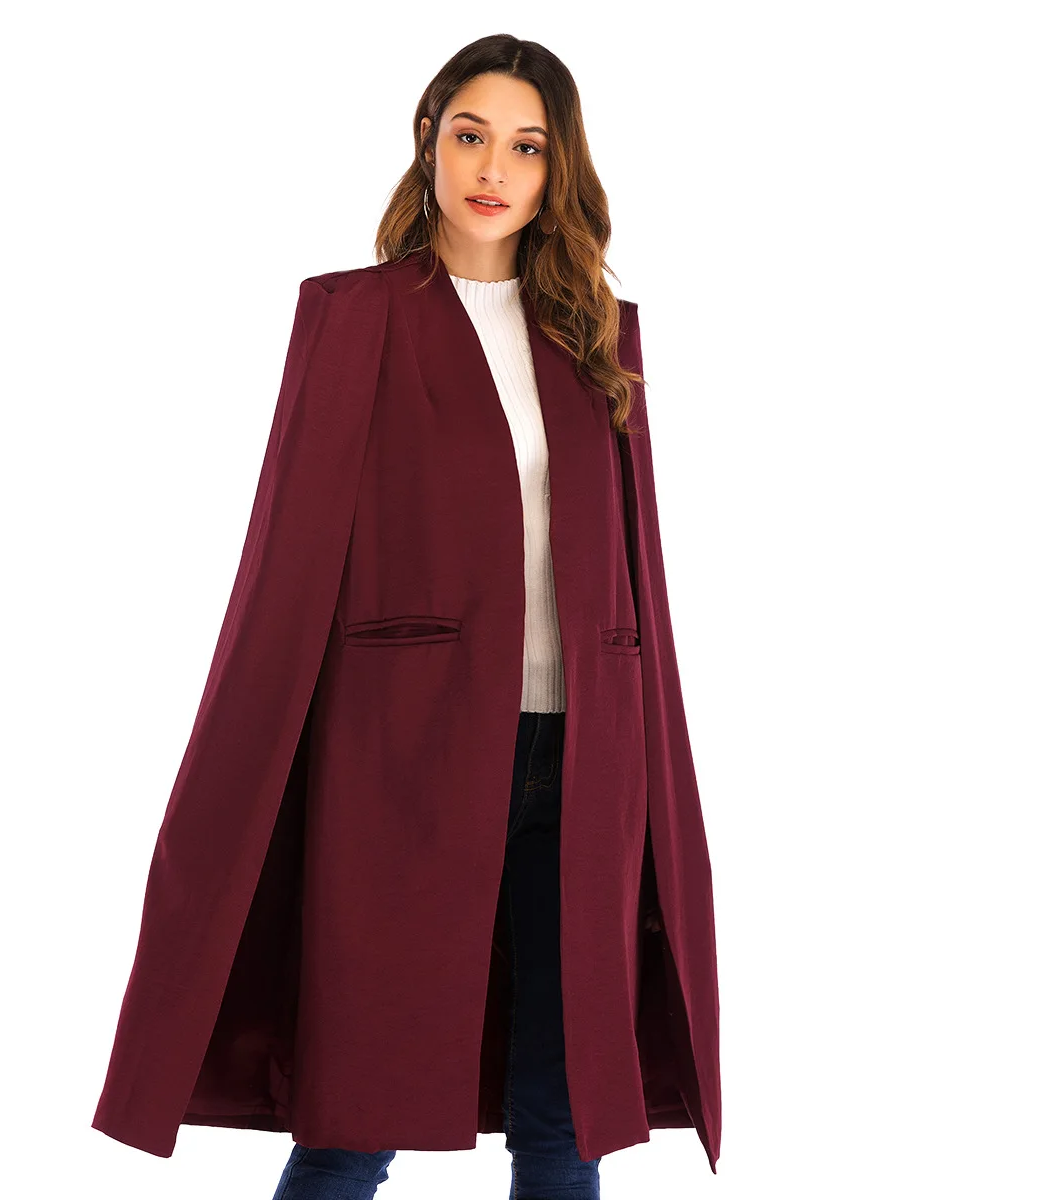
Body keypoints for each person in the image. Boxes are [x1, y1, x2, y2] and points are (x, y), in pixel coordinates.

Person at [92, 32, 721, 1200]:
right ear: (428, 138)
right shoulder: (354, 316)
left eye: (527, 147)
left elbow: (638, 578)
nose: (494, 169)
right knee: (353, 1114)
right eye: (472, 135)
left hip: (584, 759)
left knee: (569, 1117)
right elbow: (286, 566)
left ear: (558, 169)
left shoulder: (598, 334)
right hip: (402, 763)